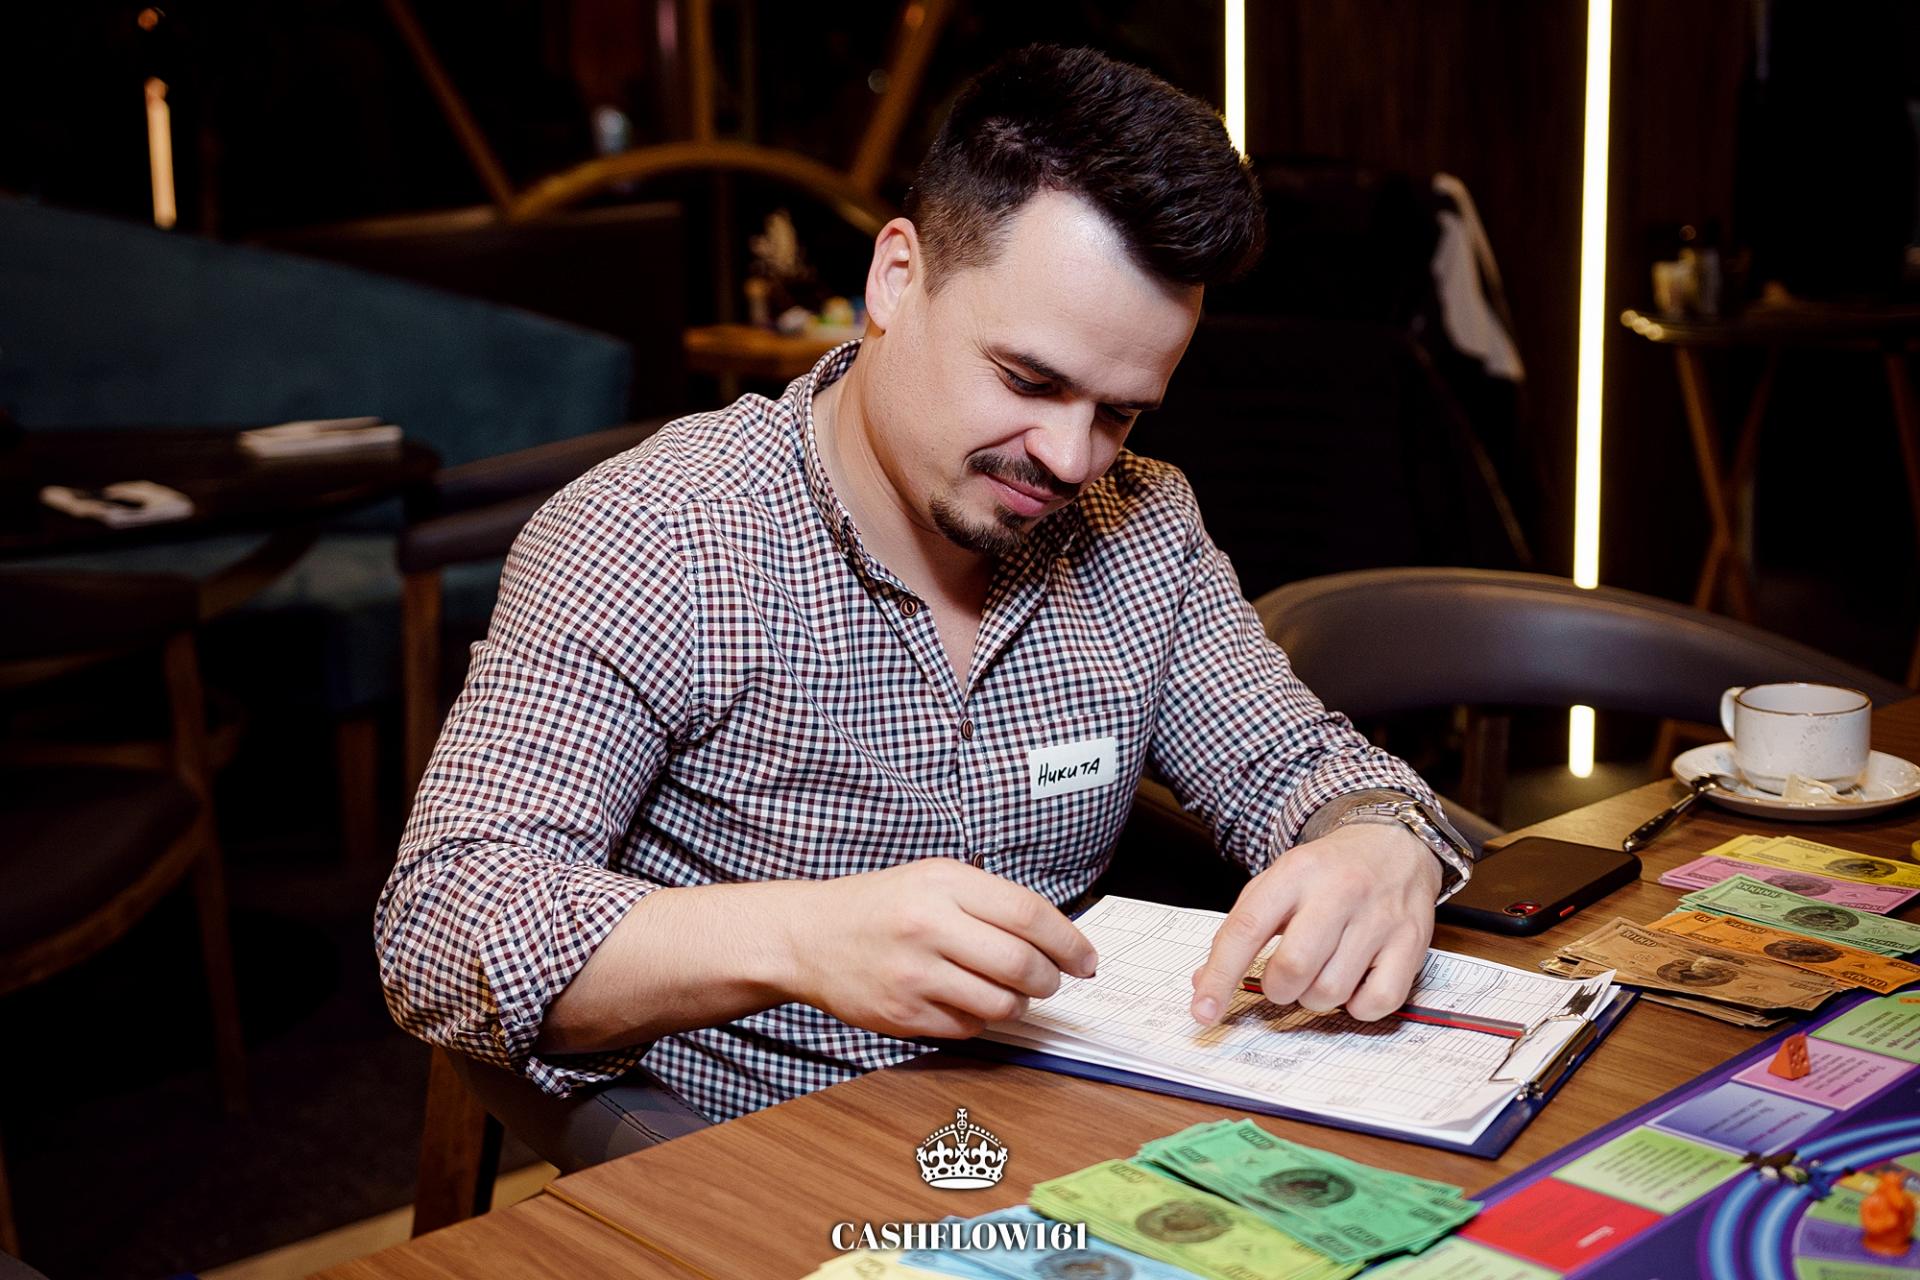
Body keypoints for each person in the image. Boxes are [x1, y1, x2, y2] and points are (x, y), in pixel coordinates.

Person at [376, 44, 1472, 1128]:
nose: (1070, 459)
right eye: (1029, 380)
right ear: (897, 278)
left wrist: (1378, 840)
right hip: (759, 1160)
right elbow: (440, 926)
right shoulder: (664, 536)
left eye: (1119, 411)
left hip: (1066, 1136)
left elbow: (1296, 763)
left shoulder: (1138, 523)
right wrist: (798, 938)